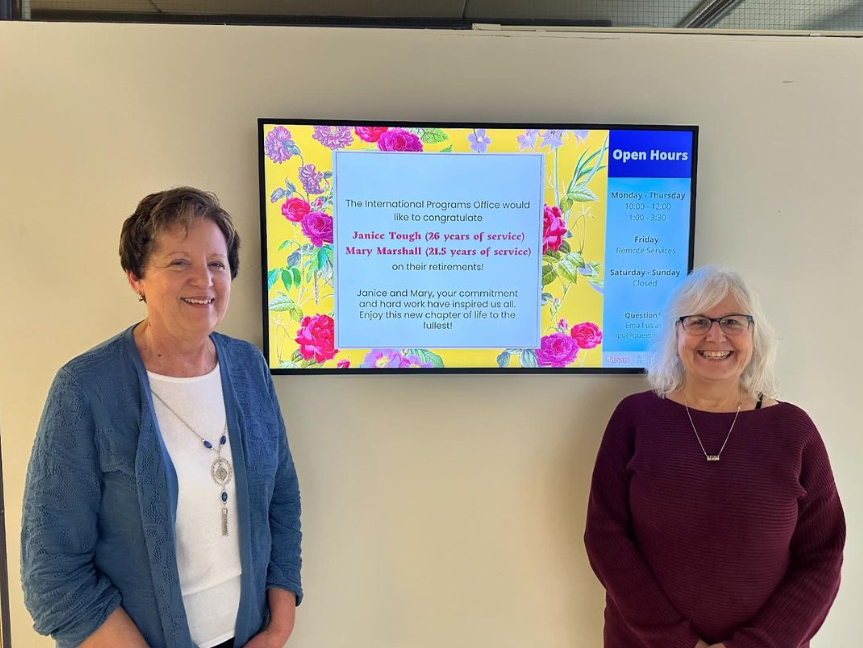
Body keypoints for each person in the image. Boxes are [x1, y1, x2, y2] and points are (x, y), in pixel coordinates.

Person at [21, 187, 302, 648]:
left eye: (216, 264)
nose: (204, 280)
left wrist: (277, 629)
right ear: (136, 277)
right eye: (179, 263)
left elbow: (283, 498)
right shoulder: (85, 389)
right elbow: (53, 574)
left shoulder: (249, 368)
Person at [584, 266, 845, 648]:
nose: (715, 335)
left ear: (755, 334)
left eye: (732, 321)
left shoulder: (794, 430)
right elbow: (605, 537)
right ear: (676, 334)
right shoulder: (635, 418)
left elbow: (822, 555)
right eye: (698, 321)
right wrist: (675, 641)